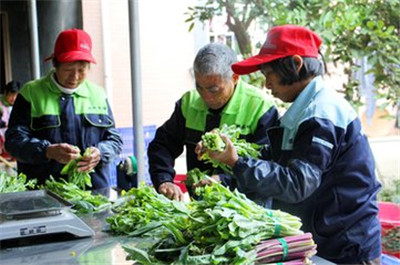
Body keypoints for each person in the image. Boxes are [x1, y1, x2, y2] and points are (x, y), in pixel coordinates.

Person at [195, 25, 382, 264]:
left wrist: (236, 162)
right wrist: (227, 176)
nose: (266, 85)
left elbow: (297, 183)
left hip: (346, 247)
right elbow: (276, 165)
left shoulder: (322, 112)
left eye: (268, 75)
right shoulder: (303, 110)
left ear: (296, 64)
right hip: (322, 240)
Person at [148, 43, 279, 202]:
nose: (206, 96)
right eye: (199, 87)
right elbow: (162, 145)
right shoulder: (188, 103)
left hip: (248, 210)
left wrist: (225, 181)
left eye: (213, 90)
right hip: (201, 210)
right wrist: (164, 180)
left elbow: (268, 168)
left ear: (235, 77)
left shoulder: (260, 107)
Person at [5, 28, 123, 189]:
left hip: (93, 196)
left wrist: (100, 153)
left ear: (89, 68)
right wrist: (47, 151)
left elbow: (114, 140)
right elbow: (13, 141)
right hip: (44, 194)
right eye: (68, 70)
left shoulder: (98, 94)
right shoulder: (31, 93)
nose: (74, 77)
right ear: (55, 64)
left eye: (81, 70)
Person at [0, 81, 21, 161]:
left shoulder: (19, 105)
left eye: (15, 95)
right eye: (11, 95)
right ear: (5, 93)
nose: (13, 98)